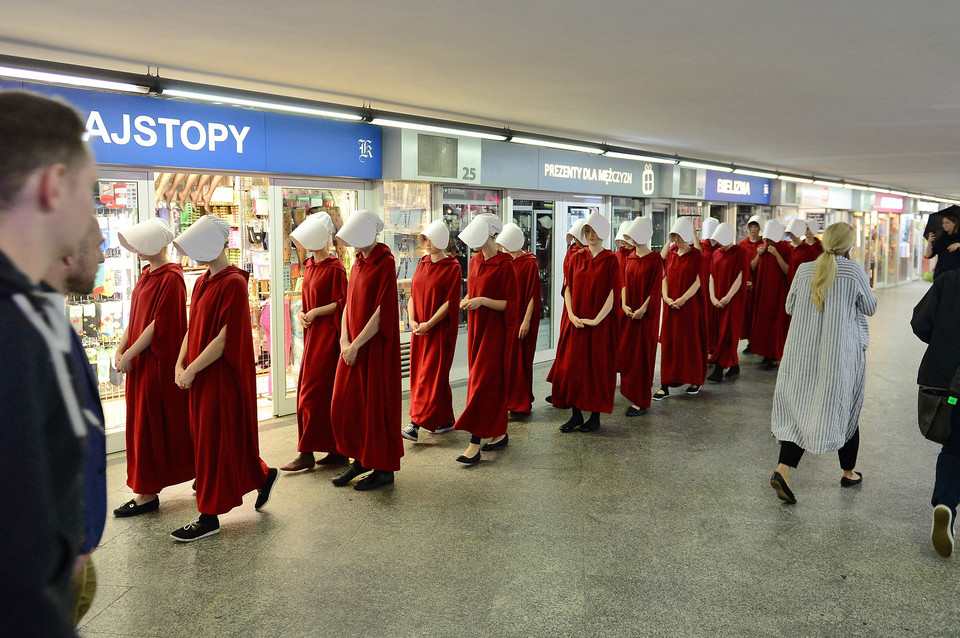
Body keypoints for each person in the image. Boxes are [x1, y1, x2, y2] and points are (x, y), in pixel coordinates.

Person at [0, 90, 99, 637]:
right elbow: (18, 541)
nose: (91, 212)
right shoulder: (15, 328)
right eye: (88, 190)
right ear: (53, 185)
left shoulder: (29, 310)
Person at [171, 215, 279, 541]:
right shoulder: (202, 281)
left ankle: (209, 515)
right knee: (213, 438)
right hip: (201, 374)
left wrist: (190, 368)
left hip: (218, 375)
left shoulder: (233, 282)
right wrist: (180, 363)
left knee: (213, 440)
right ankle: (262, 475)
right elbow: (193, 328)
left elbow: (225, 338)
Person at [769, 222, 877, 505]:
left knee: (799, 412)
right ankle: (848, 471)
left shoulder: (805, 269)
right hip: (838, 355)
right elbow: (871, 307)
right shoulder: (853, 271)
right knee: (846, 407)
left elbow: (790, 307)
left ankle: (784, 470)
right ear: (849, 246)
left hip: (801, 354)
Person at [42, 216, 107, 626]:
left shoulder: (48, 319)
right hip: (51, 555)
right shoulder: (32, 328)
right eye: (97, 246)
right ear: (69, 251)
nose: (102, 257)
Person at [112, 218, 194, 516]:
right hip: (141, 360)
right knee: (143, 424)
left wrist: (130, 352)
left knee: (150, 425)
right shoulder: (148, 273)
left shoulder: (171, 277)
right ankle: (151, 486)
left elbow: (159, 324)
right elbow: (137, 319)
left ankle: (147, 492)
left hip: (154, 363)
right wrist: (122, 348)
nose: (136, 250)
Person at [329, 210, 403, 489]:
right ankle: (361, 458)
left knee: (374, 405)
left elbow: (383, 310)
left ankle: (382, 468)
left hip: (374, 349)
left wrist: (357, 343)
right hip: (353, 348)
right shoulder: (358, 261)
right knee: (348, 405)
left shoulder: (385, 263)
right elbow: (348, 301)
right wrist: (344, 340)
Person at [281, 212, 349, 470]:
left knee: (314, 393)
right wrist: (302, 312)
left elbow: (342, 303)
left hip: (327, 338)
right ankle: (322, 448)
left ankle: (312, 451)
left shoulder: (334, 267)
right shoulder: (310, 265)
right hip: (311, 335)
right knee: (310, 392)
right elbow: (308, 297)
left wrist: (316, 312)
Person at [452, 213, 518, 462]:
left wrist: (482, 301)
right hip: (477, 330)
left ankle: (474, 442)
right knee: (487, 384)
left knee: (482, 383)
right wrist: (469, 298)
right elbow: (474, 289)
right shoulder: (475, 261)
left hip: (495, 333)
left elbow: (511, 304)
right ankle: (499, 432)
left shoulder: (506, 265)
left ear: (490, 234)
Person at [551, 212, 620, 432]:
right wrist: (571, 314)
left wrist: (598, 319)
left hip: (599, 325)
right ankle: (576, 414)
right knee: (572, 368)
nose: (591, 235)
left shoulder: (611, 260)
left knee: (596, 369)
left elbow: (613, 293)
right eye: (588, 231)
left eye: (595, 231)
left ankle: (595, 416)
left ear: (604, 233)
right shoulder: (576, 257)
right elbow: (568, 287)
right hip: (577, 322)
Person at [911, 267, 960, 556]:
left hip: (943, 381)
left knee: (954, 447)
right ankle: (946, 504)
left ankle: (944, 503)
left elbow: (920, 322)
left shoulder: (948, 280)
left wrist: (943, 343)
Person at [404, 219, 461, 441]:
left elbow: (450, 302)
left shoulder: (452, 267)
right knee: (428, 375)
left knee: (429, 375)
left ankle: (415, 423)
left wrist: (430, 323)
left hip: (439, 331)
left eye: (430, 239)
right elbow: (412, 296)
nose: (427, 243)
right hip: (419, 330)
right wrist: (412, 319)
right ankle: (445, 419)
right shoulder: (422, 263)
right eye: (425, 239)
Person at [655, 217, 707, 400]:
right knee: (669, 344)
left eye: (679, 236)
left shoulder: (697, 256)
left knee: (689, 343)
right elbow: (665, 277)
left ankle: (694, 379)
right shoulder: (671, 253)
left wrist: (683, 299)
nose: (676, 240)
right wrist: (667, 298)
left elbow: (698, 281)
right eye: (674, 236)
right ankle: (665, 384)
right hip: (670, 306)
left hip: (688, 306)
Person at [618, 217, 663, 416]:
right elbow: (624, 283)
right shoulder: (630, 257)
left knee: (643, 355)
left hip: (646, 317)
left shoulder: (654, 260)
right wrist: (624, 304)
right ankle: (631, 392)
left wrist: (643, 309)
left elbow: (655, 288)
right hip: (630, 314)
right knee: (628, 354)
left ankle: (642, 399)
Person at [498, 222, 542, 416]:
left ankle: (522, 401)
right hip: (508, 317)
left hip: (523, 317)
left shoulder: (529, 262)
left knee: (521, 360)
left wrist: (526, 321)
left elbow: (534, 294)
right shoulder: (507, 261)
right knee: (509, 361)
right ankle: (510, 401)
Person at [546, 218, 588, 400]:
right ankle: (562, 388)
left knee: (573, 352)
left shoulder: (582, 254)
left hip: (581, 304)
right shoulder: (573, 252)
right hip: (570, 305)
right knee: (566, 348)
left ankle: (568, 390)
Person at [706, 222, 748, 382]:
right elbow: (711, 275)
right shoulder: (716, 253)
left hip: (733, 300)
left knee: (728, 333)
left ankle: (719, 368)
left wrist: (727, 297)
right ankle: (734, 365)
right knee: (719, 332)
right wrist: (712, 297)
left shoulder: (740, 252)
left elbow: (741, 276)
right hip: (717, 299)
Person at [750, 220, 793, 371]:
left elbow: (789, 271)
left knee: (776, 324)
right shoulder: (762, 248)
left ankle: (774, 356)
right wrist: (758, 254)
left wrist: (776, 255)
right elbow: (752, 268)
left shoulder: (785, 248)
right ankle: (765, 353)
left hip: (778, 293)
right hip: (763, 292)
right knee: (763, 322)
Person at [738, 215, 764, 353]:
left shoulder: (765, 245)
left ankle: (756, 342)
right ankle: (750, 341)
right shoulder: (742, 245)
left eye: (756, 226)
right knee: (747, 315)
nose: (753, 229)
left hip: (760, 283)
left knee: (758, 314)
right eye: (751, 226)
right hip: (746, 285)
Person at [698, 217, 720, 352]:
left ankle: (713, 345)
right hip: (702, 285)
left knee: (714, 317)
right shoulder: (700, 246)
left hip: (716, 285)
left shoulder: (722, 248)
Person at [923, 210, 960, 279]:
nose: (944, 225)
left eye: (947, 223)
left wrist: (959, 245)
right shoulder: (941, 238)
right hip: (941, 274)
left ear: (954, 224)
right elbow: (928, 255)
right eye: (943, 223)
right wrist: (930, 242)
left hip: (955, 276)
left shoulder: (958, 238)